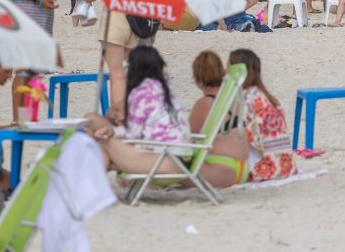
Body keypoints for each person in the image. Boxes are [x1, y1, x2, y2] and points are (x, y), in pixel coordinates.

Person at [85, 46, 189, 175]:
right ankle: (93, 188)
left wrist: (112, 132)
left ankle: (91, 188)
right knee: (105, 147)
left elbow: (134, 135)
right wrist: (113, 130)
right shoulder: (167, 88)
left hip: (164, 162)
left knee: (102, 143)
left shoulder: (140, 93)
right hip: (183, 159)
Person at [228, 49, 296, 181]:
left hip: (261, 164)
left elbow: (241, 137)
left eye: (228, 69)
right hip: (284, 163)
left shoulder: (246, 99)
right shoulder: (264, 96)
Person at [188, 51, 250, 186]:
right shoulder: (232, 96)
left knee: (168, 167)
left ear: (198, 79)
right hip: (243, 168)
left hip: (221, 168)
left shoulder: (204, 103)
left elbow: (189, 140)